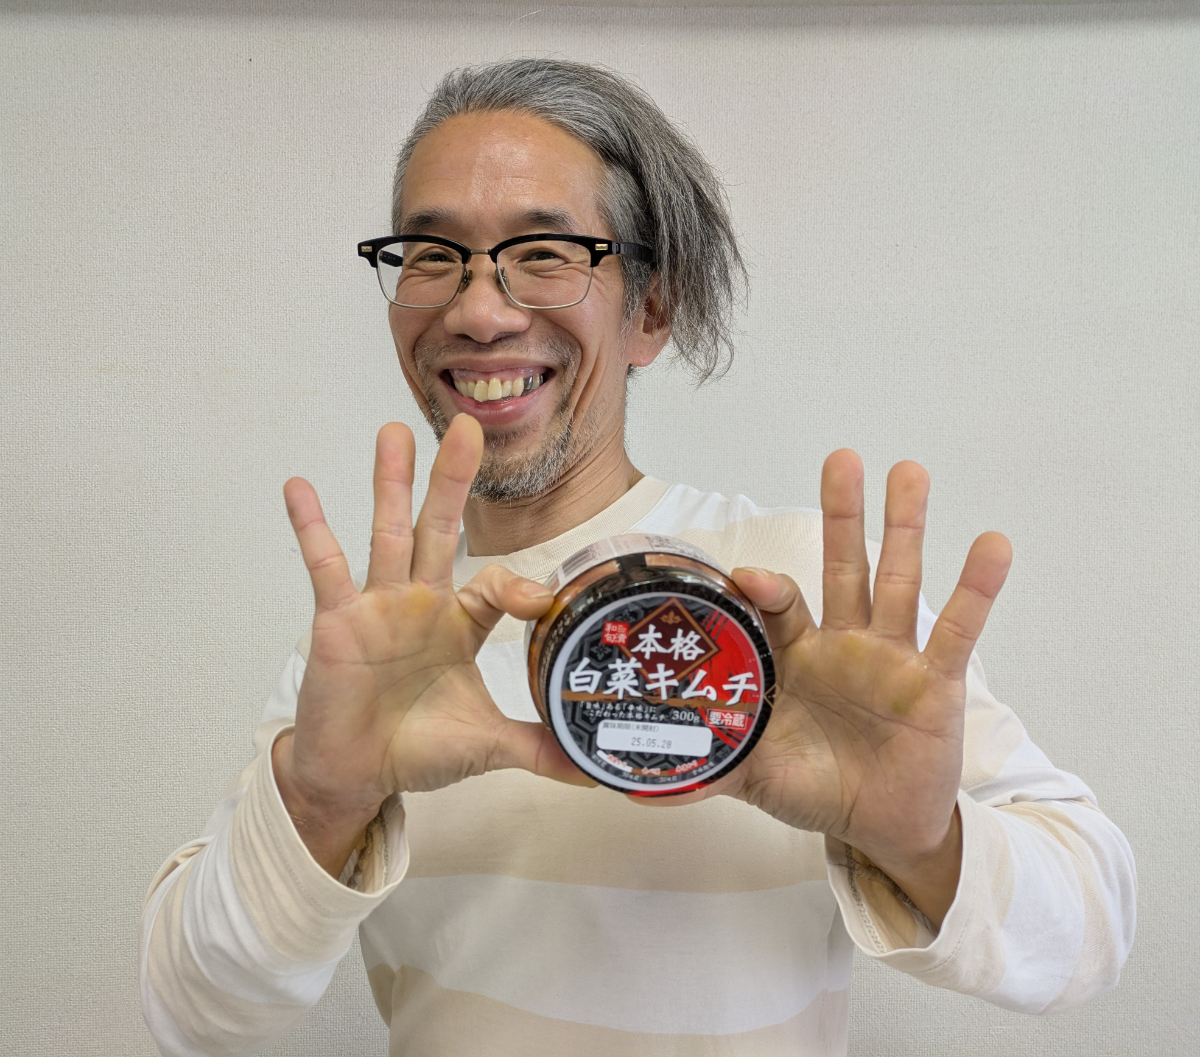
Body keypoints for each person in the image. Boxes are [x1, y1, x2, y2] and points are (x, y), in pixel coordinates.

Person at [139, 59, 1135, 1056]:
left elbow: (1091, 932)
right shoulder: (376, 651)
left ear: (650, 310)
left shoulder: (794, 594)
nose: (479, 311)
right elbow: (194, 1011)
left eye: (544, 253)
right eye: (433, 254)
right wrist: (321, 803)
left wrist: (922, 842)